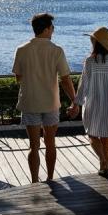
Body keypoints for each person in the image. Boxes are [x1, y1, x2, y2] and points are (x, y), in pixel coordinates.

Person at [13, 13, 77, 183]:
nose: (53, 30)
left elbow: (18, 77)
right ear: (47, 28)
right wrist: (74, 100)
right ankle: (50, 178)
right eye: (52, 27)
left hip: (30, 102)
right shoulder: (56, 50)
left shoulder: (22, 49)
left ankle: (35, 181)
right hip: (51, 103)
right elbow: (65, 79)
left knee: (33, 146)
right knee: (50, 143)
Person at [68, 26, 108, 179]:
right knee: (106, 137)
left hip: (93, 105)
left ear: (95, 42)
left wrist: (76, 103)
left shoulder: (90, 61)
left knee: (92, 135)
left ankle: (102, 160)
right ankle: (105, 167)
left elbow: (84, 85)